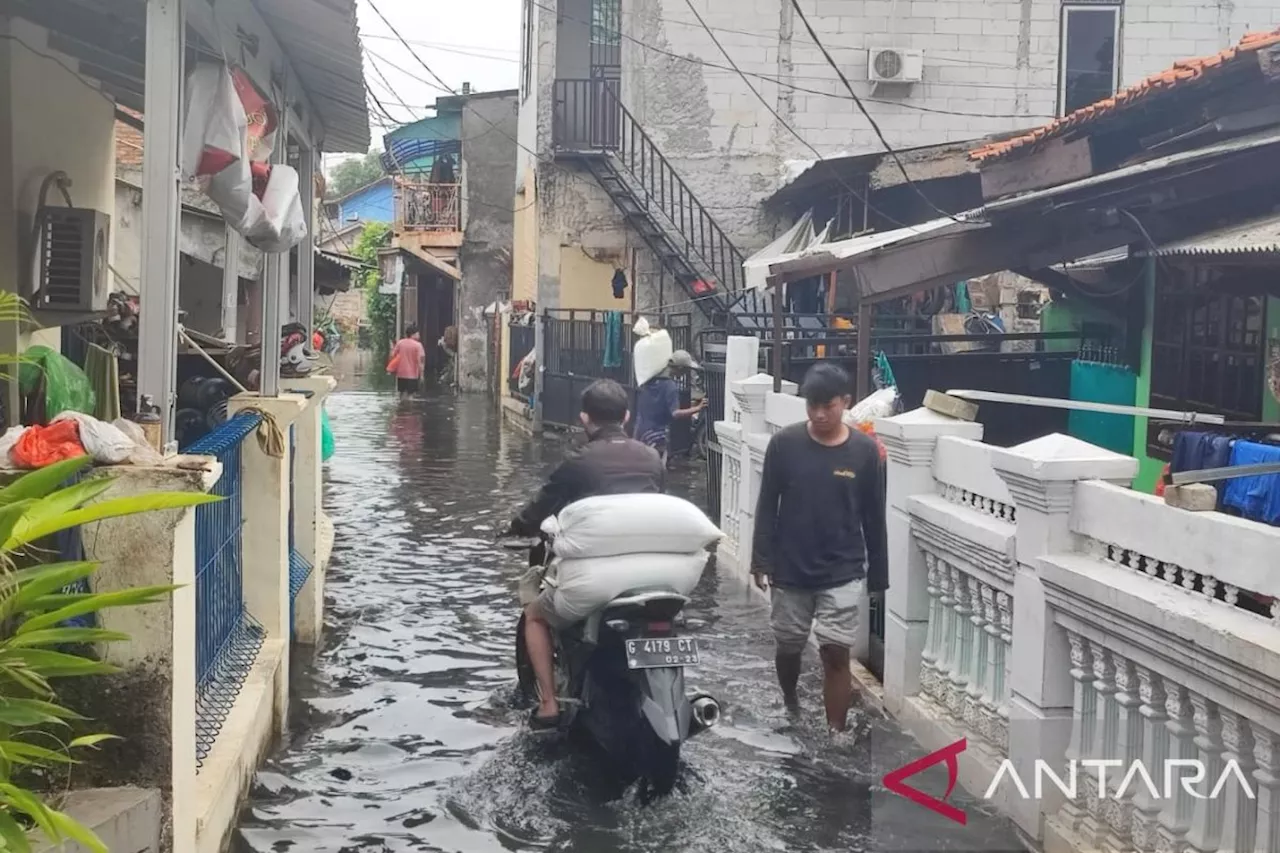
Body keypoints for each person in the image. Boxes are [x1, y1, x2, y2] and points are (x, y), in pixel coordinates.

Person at [506, 379, 665, 729]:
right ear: (626, 416)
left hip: (595, 581)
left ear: (583, 418)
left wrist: (517, 526)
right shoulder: (652, 458)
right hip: (653, 575)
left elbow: (539, 510)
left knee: (535, 614)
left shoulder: (577, 463)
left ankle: (548, 704)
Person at [751, 361, 887, 732]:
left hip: (842, 567)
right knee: (789, 646)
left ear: (845, 402)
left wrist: (879, 575)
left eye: (828, 405)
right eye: (813, 405)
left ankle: (835, 732)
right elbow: (767, 504)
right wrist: (760, 559)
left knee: (835, 652)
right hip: (790, 566)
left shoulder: (863, 452)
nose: (820, 413)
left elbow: (874, 517)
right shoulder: (784, 445)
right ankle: (791, 699)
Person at [633, 349, 705, 465]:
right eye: (687, 369)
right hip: (657, 436)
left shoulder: (649, 379)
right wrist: (697, 408)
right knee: (657, 469)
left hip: (640, 431)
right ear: (681, 369)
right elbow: (675, 413)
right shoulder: (669, 386)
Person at [389, 325, 426, 398]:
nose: (419, 335)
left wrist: (392, 369)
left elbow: (392, 355)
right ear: (413, 334)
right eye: (418, 334)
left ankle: (401, 408)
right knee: (410, 396)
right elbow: (421, 362)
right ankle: (409, 408)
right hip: (412, 375)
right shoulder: (418, 345)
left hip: (401, 374)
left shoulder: (400, 343)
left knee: (401, 394)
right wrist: (421, 375)